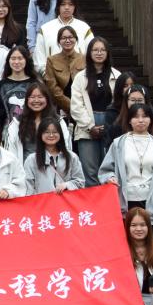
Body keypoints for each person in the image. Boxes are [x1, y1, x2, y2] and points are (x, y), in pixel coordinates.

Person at [99, 103, 153, 239]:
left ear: (151, 120)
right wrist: (110, 178)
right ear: (129, 120)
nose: (141, 120)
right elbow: (105, 170)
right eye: (136, 117)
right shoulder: (118, 144)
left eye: (145, 116)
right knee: (125, 246)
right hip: (124, 203)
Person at [70, 37, 121, 186]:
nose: (99, 53)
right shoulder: (80, 77)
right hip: (86, 126)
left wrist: (110, 125)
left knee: (110, 171)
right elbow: (76, 105)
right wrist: (90, 126)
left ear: (108, 53)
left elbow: (120, 102)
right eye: (95, 50)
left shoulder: (116, 76)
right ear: (89, 53)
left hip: (110, 123)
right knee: (89, 172)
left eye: (102, 50)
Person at [22, 117, 87, 194]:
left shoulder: (71, 157)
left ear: (60, 134)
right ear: (40, 134)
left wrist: (67, 185)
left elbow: (80, 182)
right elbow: (28, 187)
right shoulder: (31, 159)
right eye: (47, 132)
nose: (51, 135)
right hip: (42, 201)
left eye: (55, 132)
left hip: (66, 200)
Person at [0, 45, 38, 132]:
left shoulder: (35, 84)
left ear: (26, 60)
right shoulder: (0, 86)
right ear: (8, 61)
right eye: (13, 58)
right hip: (7, 133)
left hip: (33, 131)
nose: (16, 62)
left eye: (20, 58)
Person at [42, 25, 85, 117]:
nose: (67, 40)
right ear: (59, 41)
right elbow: (52, 86)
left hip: (83, 106)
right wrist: (71, 106)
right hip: (59, 107)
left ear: (76, 39)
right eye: (63, 38)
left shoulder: (84, 59)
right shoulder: (51, 60)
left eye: (70, 37)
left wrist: (79, 106)